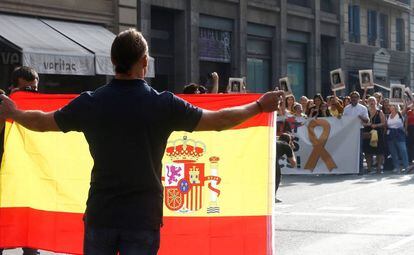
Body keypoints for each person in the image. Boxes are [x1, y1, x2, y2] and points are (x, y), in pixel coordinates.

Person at [0, 29, 285, 255]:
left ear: (113, 61)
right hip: (142, 216)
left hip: (102, 212)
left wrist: (14, 112)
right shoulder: (162, 104)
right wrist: (258, 106)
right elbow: (220, 121)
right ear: (144, 62)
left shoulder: (91, 103)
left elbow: (42, 122)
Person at [0, 66, 40, 255]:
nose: (32, 93)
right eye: (26, 89)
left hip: (28, 182)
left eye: (34, 89)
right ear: (13, 89)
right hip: (4, 182)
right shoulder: (4, 106)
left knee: (31, 240)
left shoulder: (38, 108)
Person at [343, 91, 369, 174]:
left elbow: (367, 120)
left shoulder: (363, 108)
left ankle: (360, 169)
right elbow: (344, 120)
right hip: (349, 131)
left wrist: (360, 117)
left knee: (359, 150)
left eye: (355, 97)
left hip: (359, 130)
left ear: (358, 98)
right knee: (349, 149)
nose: (354, 99)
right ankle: (350, 168)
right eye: (352, 97)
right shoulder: (346, 108)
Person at [362, 97, 386, 174]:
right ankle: (369, 168)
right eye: (370, 101)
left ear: (376, 102)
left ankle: (379, 168)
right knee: (368, 151)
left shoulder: (380, 112)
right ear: (368, 102)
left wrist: (376, 125)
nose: (372, 102)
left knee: (379, 151)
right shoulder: (365, 112)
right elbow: (361, 122)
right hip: (368, 133)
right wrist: (366, 124)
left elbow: (384, 123)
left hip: (378, 133)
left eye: (373, 101)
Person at [386, 105, 411, 173]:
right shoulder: (388, 115)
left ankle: (406, 166)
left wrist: (404, 102)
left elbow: (406, 108)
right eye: (391, 106)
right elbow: (387, 125)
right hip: (390, 134)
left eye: (393, 106)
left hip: (399, 133)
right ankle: (397, 167)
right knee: (393, 152)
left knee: (403, 150)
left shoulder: (400, 113)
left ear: (396, 107)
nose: (391, 107)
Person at [275, 133, 296, 203]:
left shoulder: (275, 141)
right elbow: (293, 164)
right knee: (277, 177)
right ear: (289, 141)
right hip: (272, 160)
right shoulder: (286, 145)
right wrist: (291, 150)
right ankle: (272, 197)